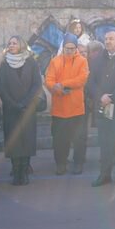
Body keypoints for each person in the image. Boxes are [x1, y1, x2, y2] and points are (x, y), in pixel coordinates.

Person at [86, 30, 115, 187]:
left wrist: (112, 97)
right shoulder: (96, 59)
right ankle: (104, 174)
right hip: (102, 108)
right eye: (106, 39)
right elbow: (90, 82)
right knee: (104, 143)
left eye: (111, 38)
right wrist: (101, 97)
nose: (108, 41)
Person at [0, 35, 43, 186]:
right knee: (14, 141)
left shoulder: (31, 62)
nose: (11, 45)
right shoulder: (4, 64)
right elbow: (1, 87)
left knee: (27, 140)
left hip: (27, 109)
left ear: (21, 45)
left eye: (14, 43)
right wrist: (13, 104)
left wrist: (25, 102)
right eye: (9, 43)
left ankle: (24, 171)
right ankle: (16, 172)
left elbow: (37, 84)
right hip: (11, 110)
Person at [44, 34, 90, 175]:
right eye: (67, 48)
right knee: (59, 140)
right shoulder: (55, 61)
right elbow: (49, 80)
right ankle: (61, 164)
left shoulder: (82, 61)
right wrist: (57, 89)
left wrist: (63, 84)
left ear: (76, 48)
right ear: (63, 47)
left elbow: (81, 79)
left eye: (72, 48)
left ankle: (78, 163)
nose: (69, 51)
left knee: (79, 140)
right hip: (59, 108)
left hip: (76, 108)